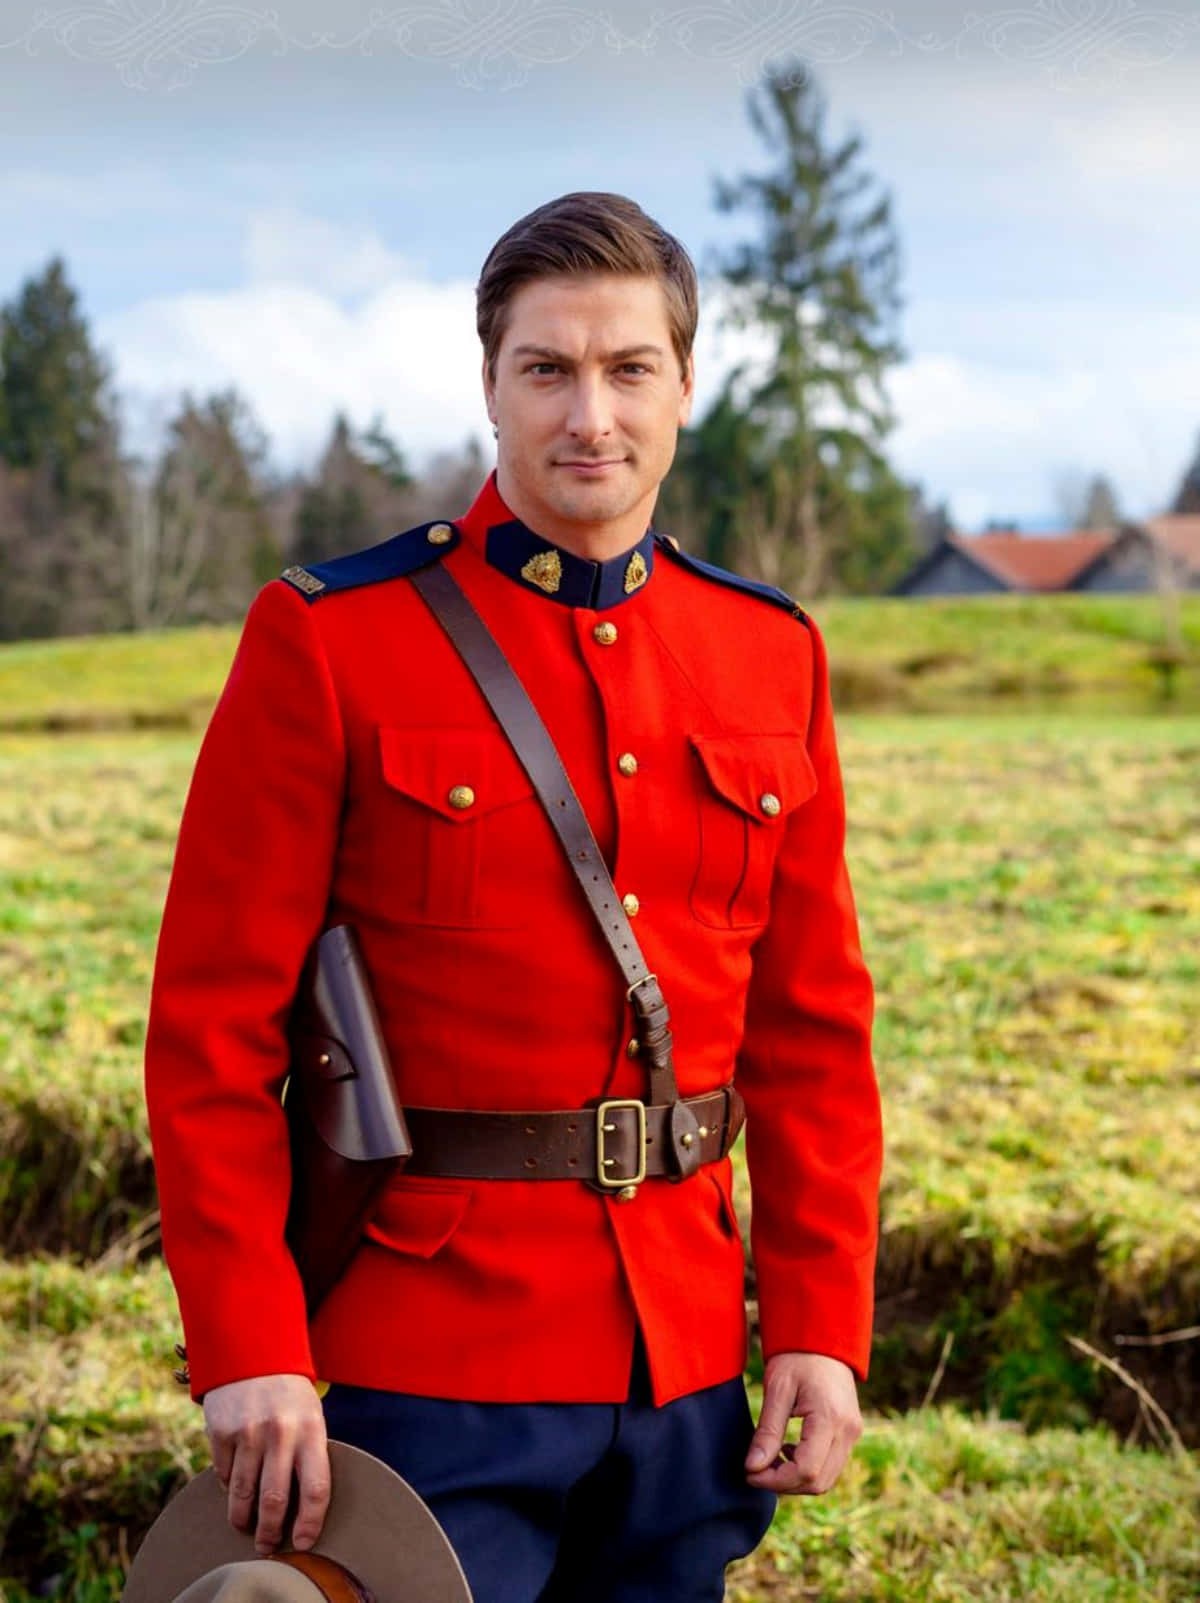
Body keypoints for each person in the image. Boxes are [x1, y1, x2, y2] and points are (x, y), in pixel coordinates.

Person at [144, 190, 883, 1603]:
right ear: (490, 385)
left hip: (680, 1378)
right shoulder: (333, 641)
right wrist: (247, 1347)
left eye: (628, 369)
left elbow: (814, 1036)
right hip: (420, 1364)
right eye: (547, 368)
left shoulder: (766, 652)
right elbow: (210, 1032)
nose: (589, 414)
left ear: (684, 386)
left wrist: (818, 1323)